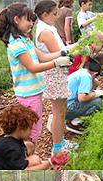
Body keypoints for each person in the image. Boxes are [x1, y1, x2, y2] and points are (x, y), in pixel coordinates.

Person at [0, 2, 73, 154]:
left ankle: (28, 157)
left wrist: (62, 54)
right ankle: (27, 158)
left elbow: (43, 57)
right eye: (29, 20)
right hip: (27, 94)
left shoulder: (25, 40)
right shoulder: (16, 44)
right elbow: (32, 66)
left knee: (33, 130)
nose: (32, 23)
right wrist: (56, 63)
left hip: (34, 93)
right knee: (30, 132)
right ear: (17, 20)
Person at [34, 0, 78, 154]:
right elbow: (60, 52)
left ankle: (61, 141)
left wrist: (77, 45)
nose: (57, 16)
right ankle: (57, 148)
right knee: (58, 113)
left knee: (62, 110)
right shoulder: (45, 31)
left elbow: (62, 50)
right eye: (54, 13)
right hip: (54, 73)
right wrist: (77, 49)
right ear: (45, 15)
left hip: (58, 72)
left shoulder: (48, 27)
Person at [0, 103, 69, 170]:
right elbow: (25, 171)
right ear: (19, 129)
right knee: (35, 160)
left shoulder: (7, 138)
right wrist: (50, 162)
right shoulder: (11, 149)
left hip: (9, 164)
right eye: (29, 128)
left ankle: (37, 166)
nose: (31, 131)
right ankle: (38, 168)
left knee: (29, 145)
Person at [65, 58, 103, 133]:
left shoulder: (81, 72)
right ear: (95, 74)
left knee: (93, 99)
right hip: (67, 109)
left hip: (63, 107)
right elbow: (82, 98)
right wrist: (97, 93)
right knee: (97, 102)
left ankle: (72, 119)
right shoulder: (86, 76)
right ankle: (75, 123)